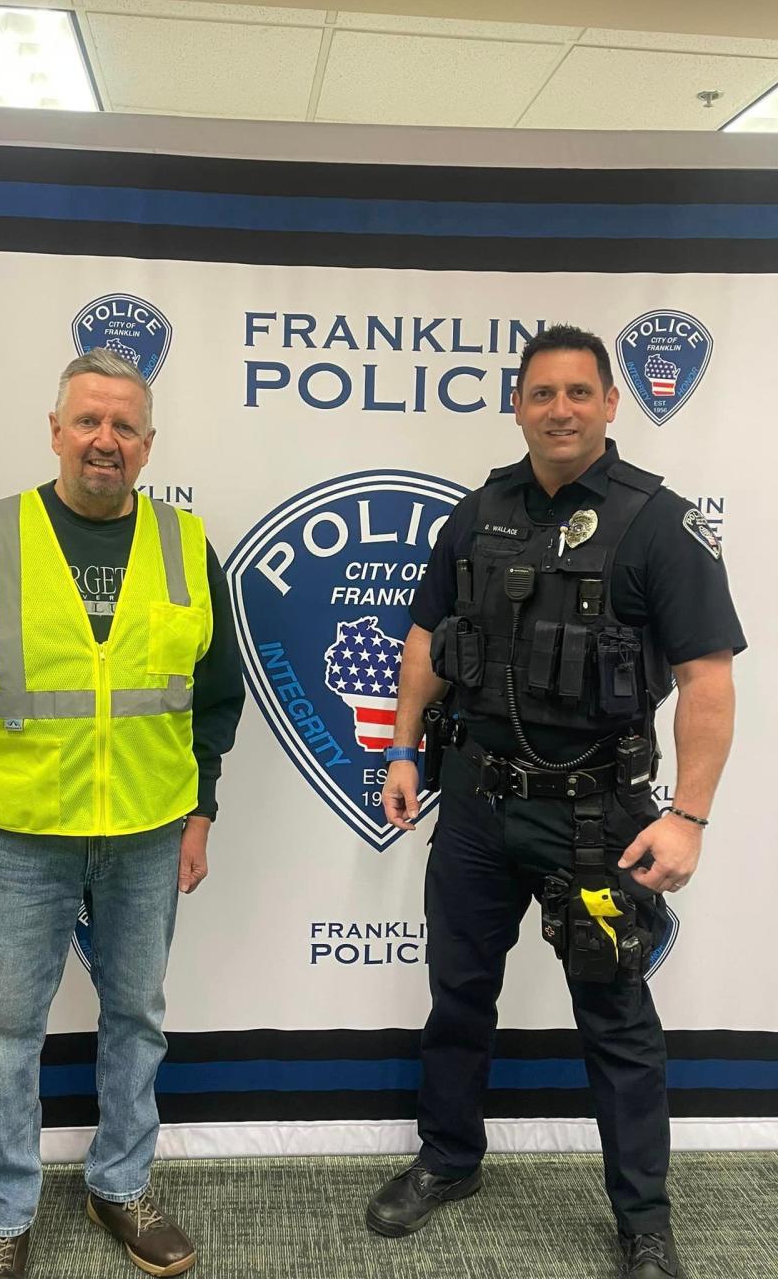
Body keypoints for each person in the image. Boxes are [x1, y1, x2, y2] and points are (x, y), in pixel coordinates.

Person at [366, 325, 743, 1278]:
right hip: (477, 805)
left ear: (611, 404)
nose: (561, 410)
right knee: (459, 996)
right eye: (543, 394)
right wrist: (404, 748)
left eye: (580, 392)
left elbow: (707, 678)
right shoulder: (479, 510)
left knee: (616, 1017)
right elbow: (425, 636)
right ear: (519, 405)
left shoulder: (658, 523)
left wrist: (688, 816)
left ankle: (644, 1222)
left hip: (600, 821)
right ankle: (449, 1158)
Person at [0, 347, 244, 1279]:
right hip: (14, 835)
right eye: (87, 421)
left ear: (148, 444)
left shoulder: (186, 544)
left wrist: (200, 812)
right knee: (7, 1033)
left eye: (124, 426)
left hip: (147, 829)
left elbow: (216, 694)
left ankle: (119, 1183)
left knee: (137, 1017)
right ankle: (4, 1213)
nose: (105, 439)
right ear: (55, 431)